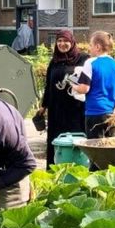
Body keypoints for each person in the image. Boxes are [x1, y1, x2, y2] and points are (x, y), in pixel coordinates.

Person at [38, 30, 89, 167]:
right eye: (59, 41)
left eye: (65, 41)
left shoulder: (83, 59)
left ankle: (78, 170)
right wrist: (43, 106)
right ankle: (54, 171)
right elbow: (48, 85)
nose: (62, 44)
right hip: (57, 110)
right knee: (56, 141)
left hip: (76, 109)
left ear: (72, 42)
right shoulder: (54, 62)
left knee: (76, 140)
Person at [73, 30, 115, 140]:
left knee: (95, 152)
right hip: (111, 115)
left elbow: (84, 88)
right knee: (110, 149)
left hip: (95, 114)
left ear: (97, 46)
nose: (89, 48)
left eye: (91, 45)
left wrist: (73, 86)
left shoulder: (90, 62)